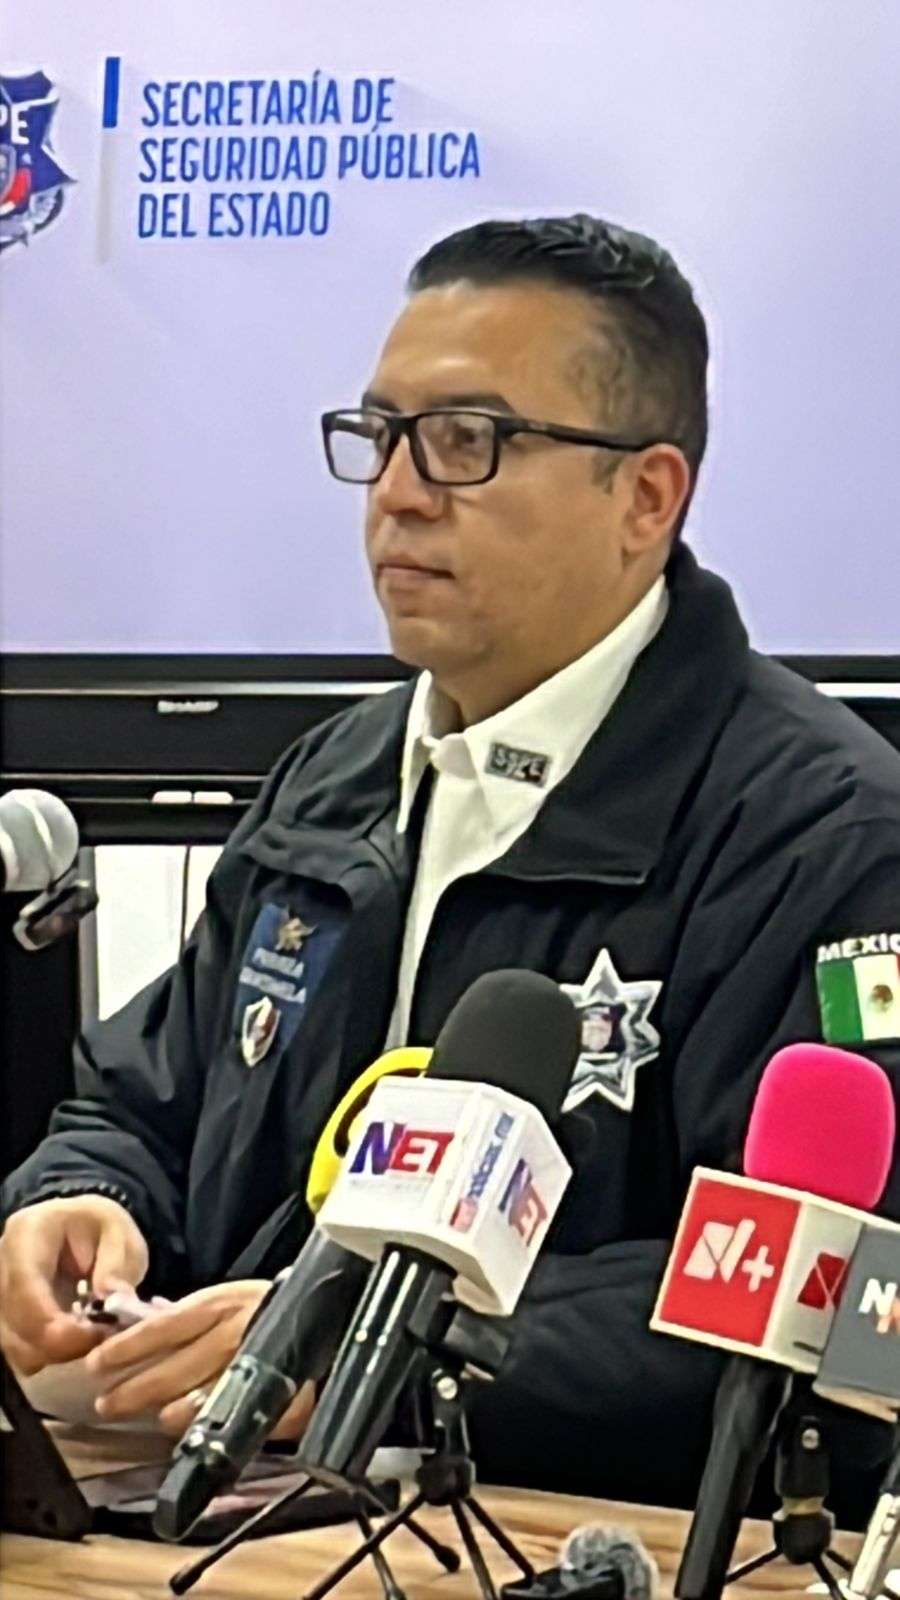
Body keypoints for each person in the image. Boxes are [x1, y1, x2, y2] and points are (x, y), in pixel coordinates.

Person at [2, 215, 898, 1517]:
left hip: (571, 1543)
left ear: (647, 497)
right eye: (380, 436)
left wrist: (393, 1355)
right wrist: (80, 1205)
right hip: (206, 1520)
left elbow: (839, 1310)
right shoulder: (329, 783)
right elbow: (143, 1106)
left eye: (468, 441)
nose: (400, 493)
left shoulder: (828, 838)